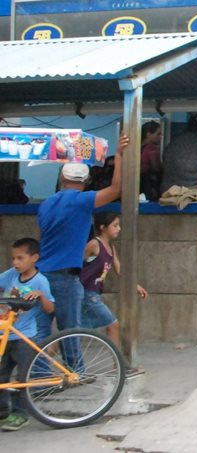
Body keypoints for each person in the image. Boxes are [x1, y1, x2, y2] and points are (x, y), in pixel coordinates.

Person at [38, 134, 128, 348]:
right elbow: (116, 189)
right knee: (69, 332)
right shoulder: (82, 201)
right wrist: (120, 155)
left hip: (41, 273)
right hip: (66, 276)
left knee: (41, 332)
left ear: (62, 178)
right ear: (86, 182)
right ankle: (75, 372)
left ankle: (39, 375)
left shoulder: (46, 204)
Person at [0, 237, 55, 433]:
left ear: (34, 258)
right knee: (2, 373)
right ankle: (3, 409)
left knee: (24, 376)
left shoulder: (41, 280)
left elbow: (50, 309)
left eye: (20, 258)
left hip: (24, 336)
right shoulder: (11, 275)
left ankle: (21, 413)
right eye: (13, 258)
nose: (15, 262)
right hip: (4, 334)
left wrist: (40, 295)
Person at [80, 213, 148, 370]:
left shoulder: (111, 247)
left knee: (71, 329)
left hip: (94, 294)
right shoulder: (94, 244)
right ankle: (118, 365)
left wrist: (135, 286)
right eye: (115, 225)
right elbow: (77, 263)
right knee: (113, 324)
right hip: (86, 294)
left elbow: (119, 270)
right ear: (103, 227)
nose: (119, 229)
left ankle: (43, 362)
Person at [140, 121, 163, 201]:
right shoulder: (151, 149)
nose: (160, 137)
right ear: (148, 134)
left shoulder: (136, 147)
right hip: (148, 187)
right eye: (158, 134)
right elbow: (156, 168)